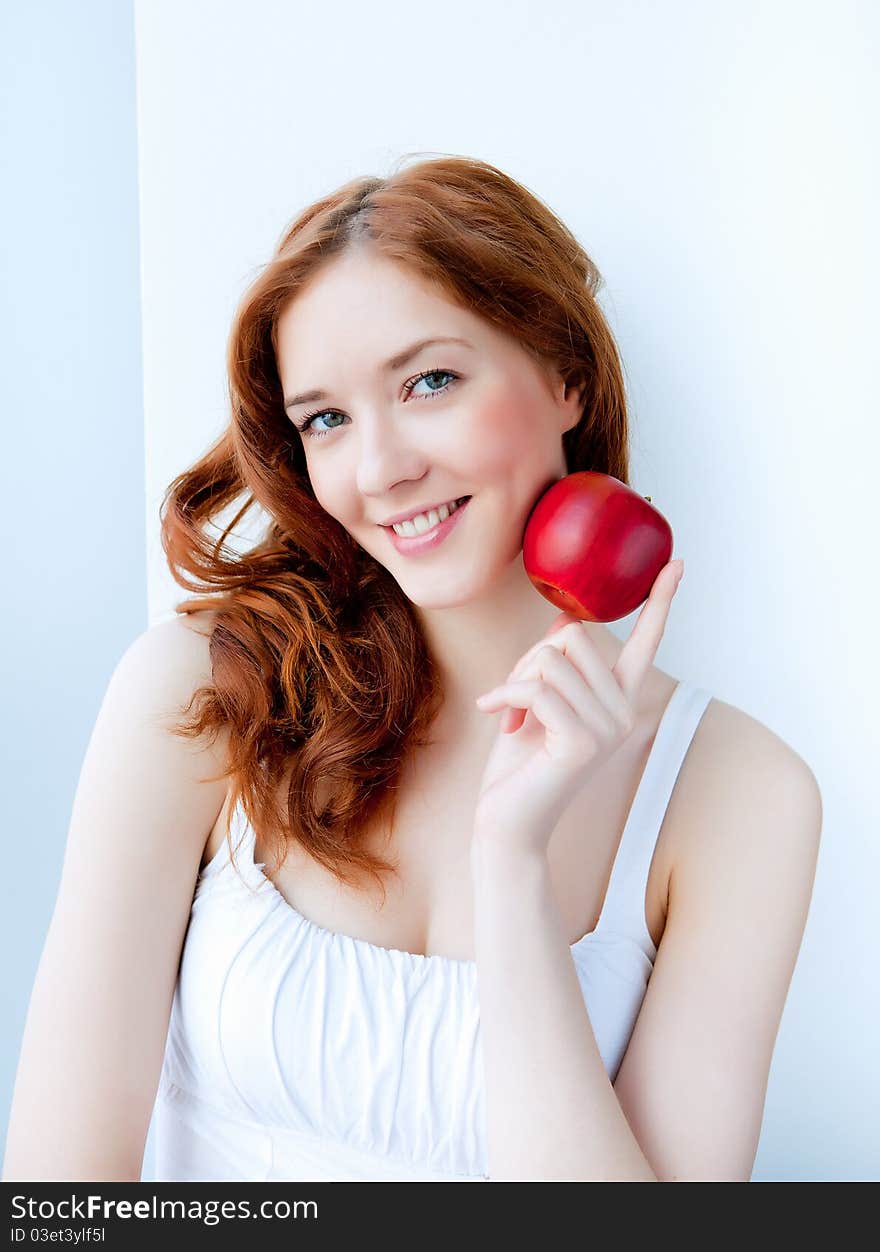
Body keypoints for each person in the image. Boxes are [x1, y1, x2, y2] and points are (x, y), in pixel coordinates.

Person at [2, 155, 822, 1183]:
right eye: (326, 419)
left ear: (565, 375)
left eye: (429, 381)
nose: (380, 468)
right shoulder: (201, 692)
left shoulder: (741, 795)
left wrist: (512, 866)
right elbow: (60, 1198)